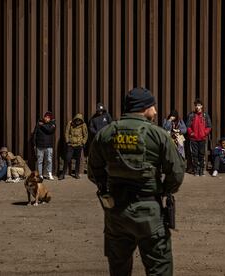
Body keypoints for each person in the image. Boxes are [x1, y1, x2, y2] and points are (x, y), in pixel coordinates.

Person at [88, 87, 185, 276]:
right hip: (149, 210)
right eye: (153, 106)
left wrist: (106, 188)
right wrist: (164, 191)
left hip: (116, 212)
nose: (156, 112)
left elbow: (93, 171)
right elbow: (176, 172)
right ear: (144, 108)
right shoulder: (158, 135)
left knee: (119, 268)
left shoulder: (106, 133)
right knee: (159, 267)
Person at [186, 99, 212, 176]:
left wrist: (204, 133)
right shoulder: (191, 115)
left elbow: (209, 126)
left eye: (199, 105)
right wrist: (191, 133)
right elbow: (188, 126)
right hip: (193, 139)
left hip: (202, 138)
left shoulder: (205, 115)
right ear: (195, 106)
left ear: (202, 106)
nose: (198, 107)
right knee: (194, 155)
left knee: (201, 154)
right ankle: (196, 170)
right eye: (196, 105)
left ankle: (201, 170)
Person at [59, 113, 88, 180]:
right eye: (77, 120)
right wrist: (67, 141)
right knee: (67, 158)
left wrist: (83, 142)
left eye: (79, 120)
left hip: (78, 144)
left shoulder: (83, 125)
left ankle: (76, 173)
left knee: (78, 159)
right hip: (71, 144)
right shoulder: (70, 123)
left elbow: (86, 135)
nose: (78, 121)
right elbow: (66, 132)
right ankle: (63, 174)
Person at [33, 111, 56, 180]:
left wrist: (42, 125)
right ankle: (40, 175)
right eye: (46, 117)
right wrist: (34, 144)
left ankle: (49, 174)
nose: (47, 118)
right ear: (44, 117)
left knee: (49, 160)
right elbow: (35, 134)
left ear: (50, 119)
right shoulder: (38, 124)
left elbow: (49, 130)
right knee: (40, 161)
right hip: (40, 146)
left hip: (49, 146)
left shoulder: (53, 124)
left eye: (48, 117)